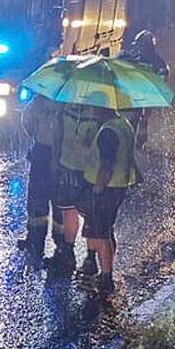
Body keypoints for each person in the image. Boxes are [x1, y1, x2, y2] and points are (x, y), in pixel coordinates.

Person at [77, 110, 139, 295]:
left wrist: (97, 189)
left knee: (101, 234)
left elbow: (106, 165)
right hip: (117, 187)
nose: (90, 110)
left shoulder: (108, 132)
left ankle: (106, 278)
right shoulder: (121, 124)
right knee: (104, 230)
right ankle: (103, 272)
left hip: (105, 189)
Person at [49, 103, 105, 275]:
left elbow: (105, 140)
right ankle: (69, 252)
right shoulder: (65, 107)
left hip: (88, 169)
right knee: (69, 211)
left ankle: (90, 257)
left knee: (90, 215)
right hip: (68, 166)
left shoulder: (99, 111)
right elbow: (57, 133)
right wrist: (55, 158)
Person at [16, 93, 65, 258]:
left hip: (42, 153)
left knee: (38, 200)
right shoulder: (71, 102)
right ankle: (62, 247)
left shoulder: (39, 100)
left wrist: (38, 135)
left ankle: (35, 243)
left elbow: (26, 121)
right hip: (64, 157)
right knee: (60, 202)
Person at [120, 31, 169, 148]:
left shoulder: (157, 61)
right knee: (135, 118)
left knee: (142, 118)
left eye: (142, 46)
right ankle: (133, 140)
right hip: (134, 93)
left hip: (147, 95)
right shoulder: (132, 56)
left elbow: (163, 78)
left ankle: (138, 141)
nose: (140, 49)